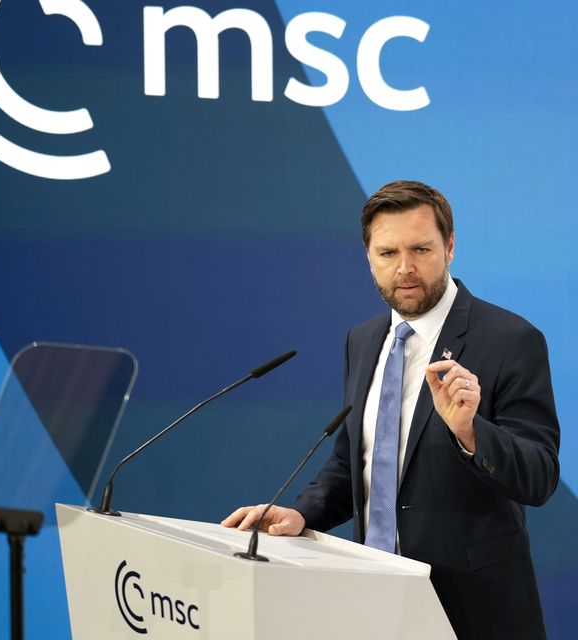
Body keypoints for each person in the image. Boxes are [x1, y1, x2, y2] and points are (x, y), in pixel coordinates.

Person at [222, 180, 560, 639]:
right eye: (387, 254)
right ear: (368, 257)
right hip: (374, 599)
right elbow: (354, 463)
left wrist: (470, 432)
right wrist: (302, 514)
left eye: (421, 249)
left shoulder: (510, 340)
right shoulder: (362, 341)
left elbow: (539, 477)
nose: (405, 268)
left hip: (472, 608)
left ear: (450, 246)